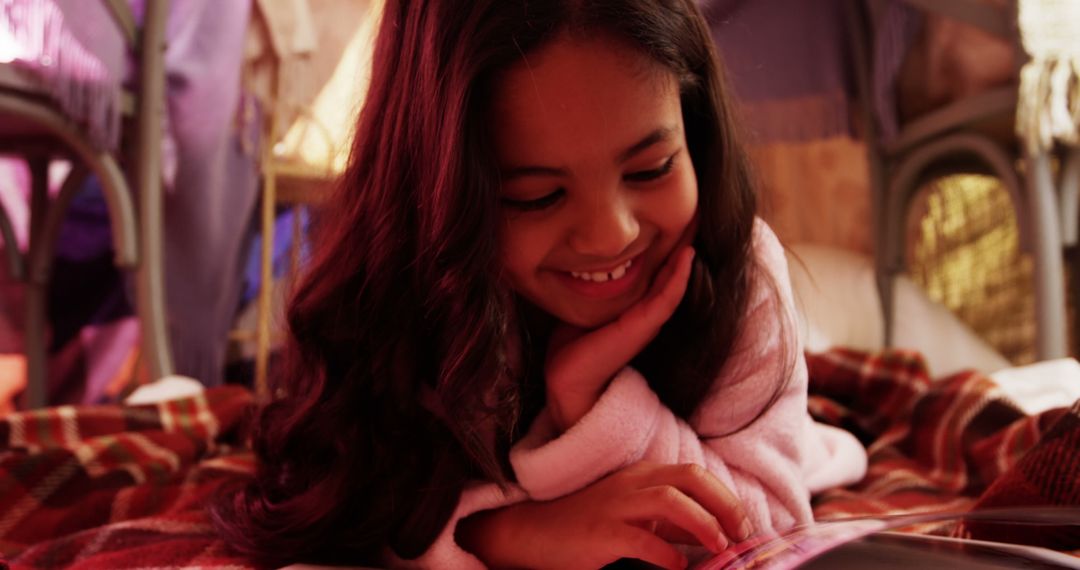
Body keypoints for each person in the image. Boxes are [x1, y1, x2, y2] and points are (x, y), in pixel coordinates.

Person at [212, 0, 868, 568]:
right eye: (538, 196)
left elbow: (772, 537)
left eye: (653, 168)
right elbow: (333, 498)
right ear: (440, 201)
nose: (611, 236)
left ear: (695, 131)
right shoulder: (401, 288)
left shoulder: (739, 267)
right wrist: (503, 533)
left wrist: (596, 401)